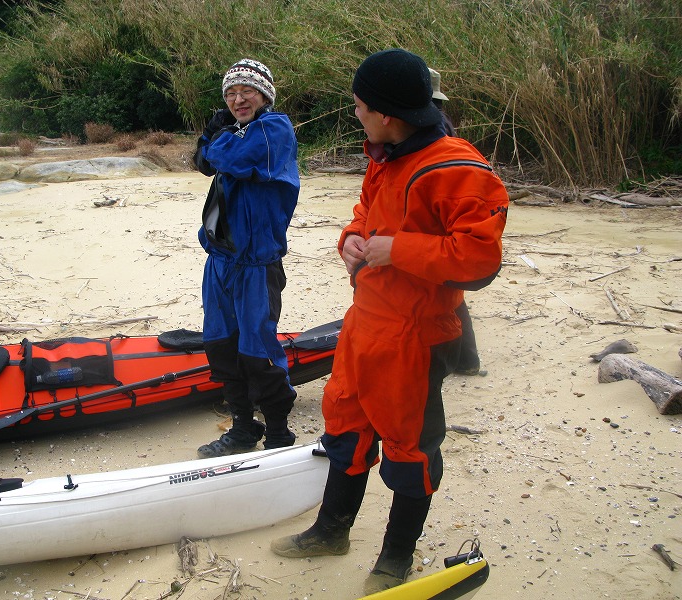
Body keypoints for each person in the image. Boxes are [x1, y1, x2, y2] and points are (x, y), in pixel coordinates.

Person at [270, 49, 509, 595]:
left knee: (410, 448)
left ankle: (395, 559)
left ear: (385, 113)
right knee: (345, 427)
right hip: (365, 325)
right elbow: (367, 214)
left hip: (416, 337)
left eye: (359, 106)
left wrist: (396, 249)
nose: (355, 114)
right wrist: (352, 240)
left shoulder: (457, 167)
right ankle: (331, 532)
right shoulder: (386, 154)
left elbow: (480, 260)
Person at [193, 59, 300, 458]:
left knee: (258, 349)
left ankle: (279, 434)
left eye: (247, 91)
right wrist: (215, 139)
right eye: (231, 93)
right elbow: (203, 162)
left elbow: (229, 159)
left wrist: (215, 138)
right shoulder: (239, 132)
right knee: (221, 344)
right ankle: (242, 427)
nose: (238, 100)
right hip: (220, 260)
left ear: (265, 95)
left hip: (256, 264)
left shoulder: (274, 129)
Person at [429, 66, 482, 376]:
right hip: (445, 214)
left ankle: (465, 360)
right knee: (451, 296)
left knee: (448, 297)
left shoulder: (434, 126)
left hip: (440, 217)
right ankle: (466, 361)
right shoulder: (442, 121)